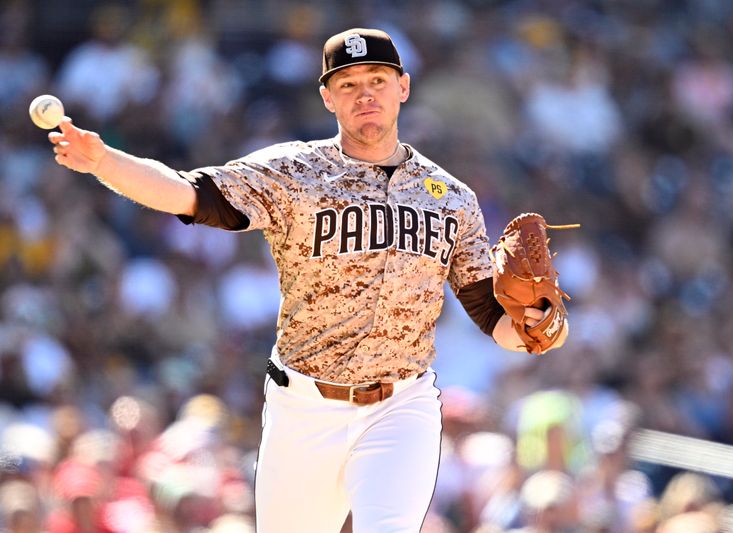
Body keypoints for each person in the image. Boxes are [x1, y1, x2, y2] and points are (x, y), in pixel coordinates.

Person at [48, 27, 569, 533]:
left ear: (403, 87)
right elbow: (190, 195)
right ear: (327, 97)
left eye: (378, 80)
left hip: (401, 405)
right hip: (304, 405)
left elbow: (491, 313)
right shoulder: (292, 172)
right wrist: (104, 162)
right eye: (348, 84)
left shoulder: (451, 197)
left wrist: (541, 328)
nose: (365, 94)